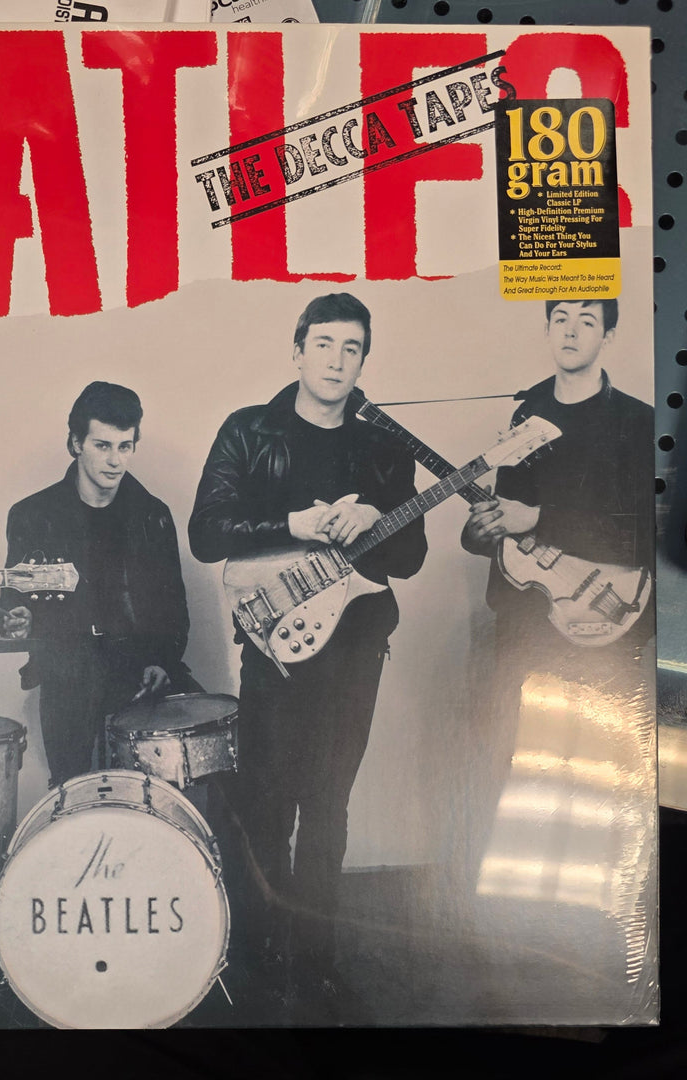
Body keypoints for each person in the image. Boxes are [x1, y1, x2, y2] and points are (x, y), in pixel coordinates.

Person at [188, 293, 427, 1019]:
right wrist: (291, 522)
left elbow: (411, 556)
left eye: (351, 348)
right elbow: (207, 532)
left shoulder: (383, 444)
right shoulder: (248, 431)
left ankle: (316, 963)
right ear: (297, 352)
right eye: (323, 344)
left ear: (363, 361)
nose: (336, 359)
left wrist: (375, 522)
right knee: (268, 802)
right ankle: (261, 956)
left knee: (328, 806)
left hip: (355, 650)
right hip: (276, 651)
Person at [0, 381, 192, 788]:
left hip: (138, 667)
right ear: (75, 443)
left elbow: (175, 608)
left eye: (125, 446)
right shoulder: (33, 515)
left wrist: (164, 661)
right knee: (72, 786)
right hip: (68, 668)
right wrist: (16, 619)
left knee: (204, 745)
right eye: (102, 445)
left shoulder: (152, 515)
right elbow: (12, 603)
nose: (115, 460)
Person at [461, 298, 654, 652]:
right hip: (523, 617)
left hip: (602, 621)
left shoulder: (640, 421)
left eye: (587, 321)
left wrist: (537, 517)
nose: (571, 330)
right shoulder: (526, 414)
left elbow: (644, 535)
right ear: (547, 329)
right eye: (561, 318)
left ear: (607, 336)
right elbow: (509, 517)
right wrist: (479, 532)